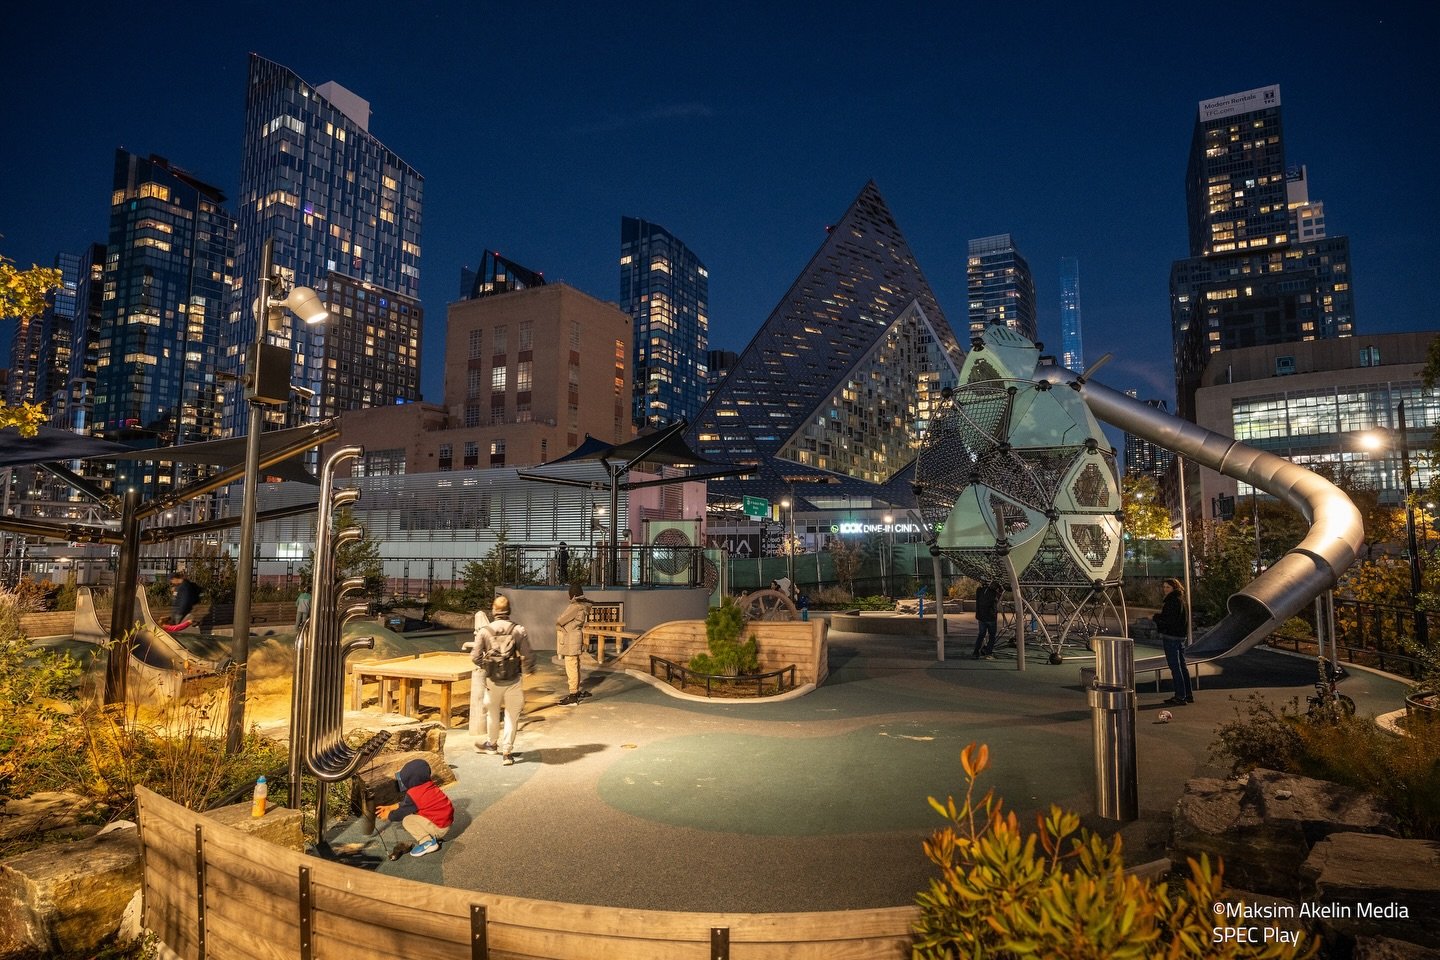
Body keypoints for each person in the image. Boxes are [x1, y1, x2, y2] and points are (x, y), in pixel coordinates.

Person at [471, 595, 534, 764]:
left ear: (493, 610)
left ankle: (492, 744)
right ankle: (507, 752)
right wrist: (528, 669)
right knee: (511, 716)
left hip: (493, 680)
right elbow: (528, 654)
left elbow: (475, 656)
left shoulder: (484, 631)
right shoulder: (518, 630)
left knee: (492, 714)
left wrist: (487, 666)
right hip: (513, 679)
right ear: (509, 610)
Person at [375, 757, 454, 858]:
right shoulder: (428, 785)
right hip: (445, 822)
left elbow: (402, 812)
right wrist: (390, 807)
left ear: (409, 780)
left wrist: (389, 815)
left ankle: (427, 842)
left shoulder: (414, 793)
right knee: (414, 812)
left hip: (439, 827)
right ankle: (432, 835)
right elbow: (408, 804)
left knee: (408, 820)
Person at [1154, 577, 1193, 706]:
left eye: (1168, 587)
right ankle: (1187, 694)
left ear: (1174, 588)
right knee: (1182, 666)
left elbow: (1168, 620)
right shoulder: (1181, 600)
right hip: (1180, 636)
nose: (1165, 589)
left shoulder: (1172, 602)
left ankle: (1180, 696)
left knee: (1175, 667)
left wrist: (1156, 618)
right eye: (1164, 587)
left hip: (1171, 636)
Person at [555, 582, 592, 705]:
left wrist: (559, 624)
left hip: (570, 638)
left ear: (573, 595)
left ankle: (573, 695)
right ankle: (575, 692)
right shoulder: (583, 605)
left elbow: (561, 619)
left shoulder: (575, 606)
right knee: (575, 665)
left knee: (571, 665)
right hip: (575, 636)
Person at [972, 580, 1001, 660]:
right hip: (990, 618)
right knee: (992, 636)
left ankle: (976, 652)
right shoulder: (994, 594)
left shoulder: (980, 591)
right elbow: (995, 602)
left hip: (981, 617)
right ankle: (988, 653)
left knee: (981, 635)